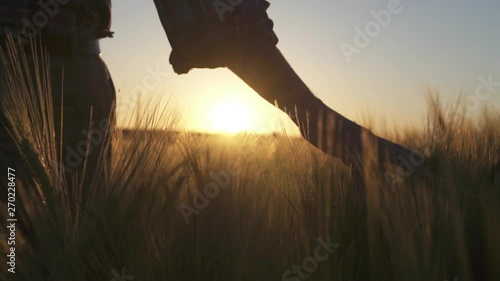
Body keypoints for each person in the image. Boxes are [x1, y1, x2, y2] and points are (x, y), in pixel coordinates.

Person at [0, 0, 411, 193]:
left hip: (76, 74)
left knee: (74, 228)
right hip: (17, 75)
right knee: (13, 236)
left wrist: (327, 126)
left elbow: (221, 25)